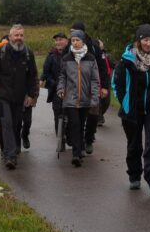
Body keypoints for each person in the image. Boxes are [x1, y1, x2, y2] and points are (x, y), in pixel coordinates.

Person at [112, 24, 150, 196]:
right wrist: (125, 102)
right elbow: (116, 83)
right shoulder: (127, 60)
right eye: (145, 40)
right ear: (138, 41)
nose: (148, 43)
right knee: (134, 145)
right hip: (132, 110)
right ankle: (134, 175)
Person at [0, 24, 39, 169]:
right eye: (16, 35)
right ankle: (10, 156)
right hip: (1, 95)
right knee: (6, 123)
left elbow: (32, 76)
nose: (19, 38)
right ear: (10, 36)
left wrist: (32, 95)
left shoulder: (28, 53)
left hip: (19, 96)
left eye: (21, 35)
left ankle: (7, 148)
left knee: (16, 124)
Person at [57, 30, 101, 166]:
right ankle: (76, 154)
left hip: (85, 98)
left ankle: (80, 148)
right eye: (73, 40)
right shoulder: (67, 58)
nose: (75, 43)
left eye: (77, 40)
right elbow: (62, 76)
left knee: (81, 125)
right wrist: (60, 88)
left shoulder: (91, 58)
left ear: (83, 41)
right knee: (74, 124)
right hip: (70, 98)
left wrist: (94, 97)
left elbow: (95, 80)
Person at [68, 21, 110, 154]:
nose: (72, 35)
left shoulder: (94, 47)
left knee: (93, 116)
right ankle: (78, 142)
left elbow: (103, 67)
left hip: (92, 87)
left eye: (75, 31)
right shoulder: (69, 47)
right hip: (75, 88)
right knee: (77, 119)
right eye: (71, 32)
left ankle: (89, 138)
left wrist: (104, 86)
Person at [41, 32, 69, 136]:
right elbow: (46, 72)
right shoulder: (51, 56)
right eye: (56, 40)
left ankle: (70, 135)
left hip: (70, 89)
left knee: (70, 113)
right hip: (56, 89)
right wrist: (50, 81)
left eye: (60, 40)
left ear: (66, 41)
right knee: (58, 113)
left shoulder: (71, 54)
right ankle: (60, 139)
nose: (58, 42)